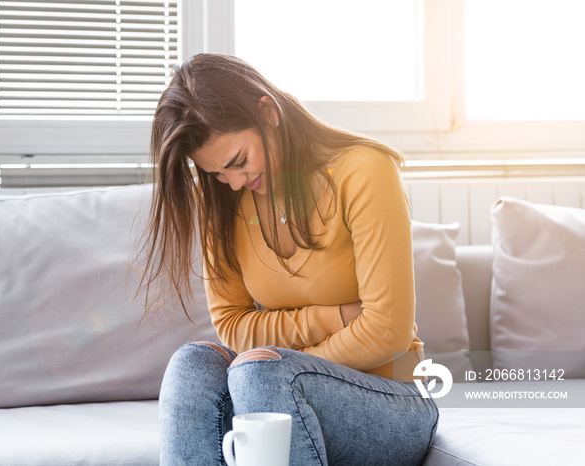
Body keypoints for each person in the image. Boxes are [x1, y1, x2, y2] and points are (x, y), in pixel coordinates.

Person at [140, 53, 439, 466]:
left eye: (238, 161)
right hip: (275, 390)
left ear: (268, 112)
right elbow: (231, 326)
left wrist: (278, 368)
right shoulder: (223, 201)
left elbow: (387, 331)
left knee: (258, 375)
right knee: (191, 365)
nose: (234, 182)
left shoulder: (365, 171)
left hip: (393, 401)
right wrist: (335, 318)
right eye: (216, 174)